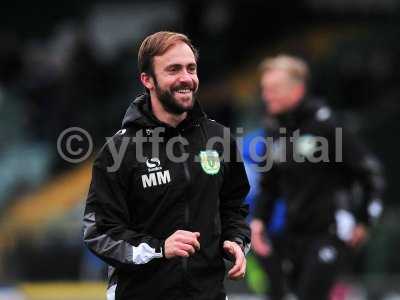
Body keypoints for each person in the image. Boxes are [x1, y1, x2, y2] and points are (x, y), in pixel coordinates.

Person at [83, 31, 251, 300]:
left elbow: (234, 208)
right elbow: (99, 232)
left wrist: (236, 241)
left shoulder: (219, 139)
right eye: (174, 69)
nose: (186, 78)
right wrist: (160, 248)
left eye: (191, 68)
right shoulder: (118, 150)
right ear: (147, 80)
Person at [250, 55, 385, 300]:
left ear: (298, 89)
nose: (266, 95)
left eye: (273, 89)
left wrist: (365, 219)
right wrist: (259, 221)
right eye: (264, 89)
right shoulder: (274, 131)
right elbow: (269, 186)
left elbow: (369, 171)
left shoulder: (326, 126)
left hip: (329, 232)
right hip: (293, 233)